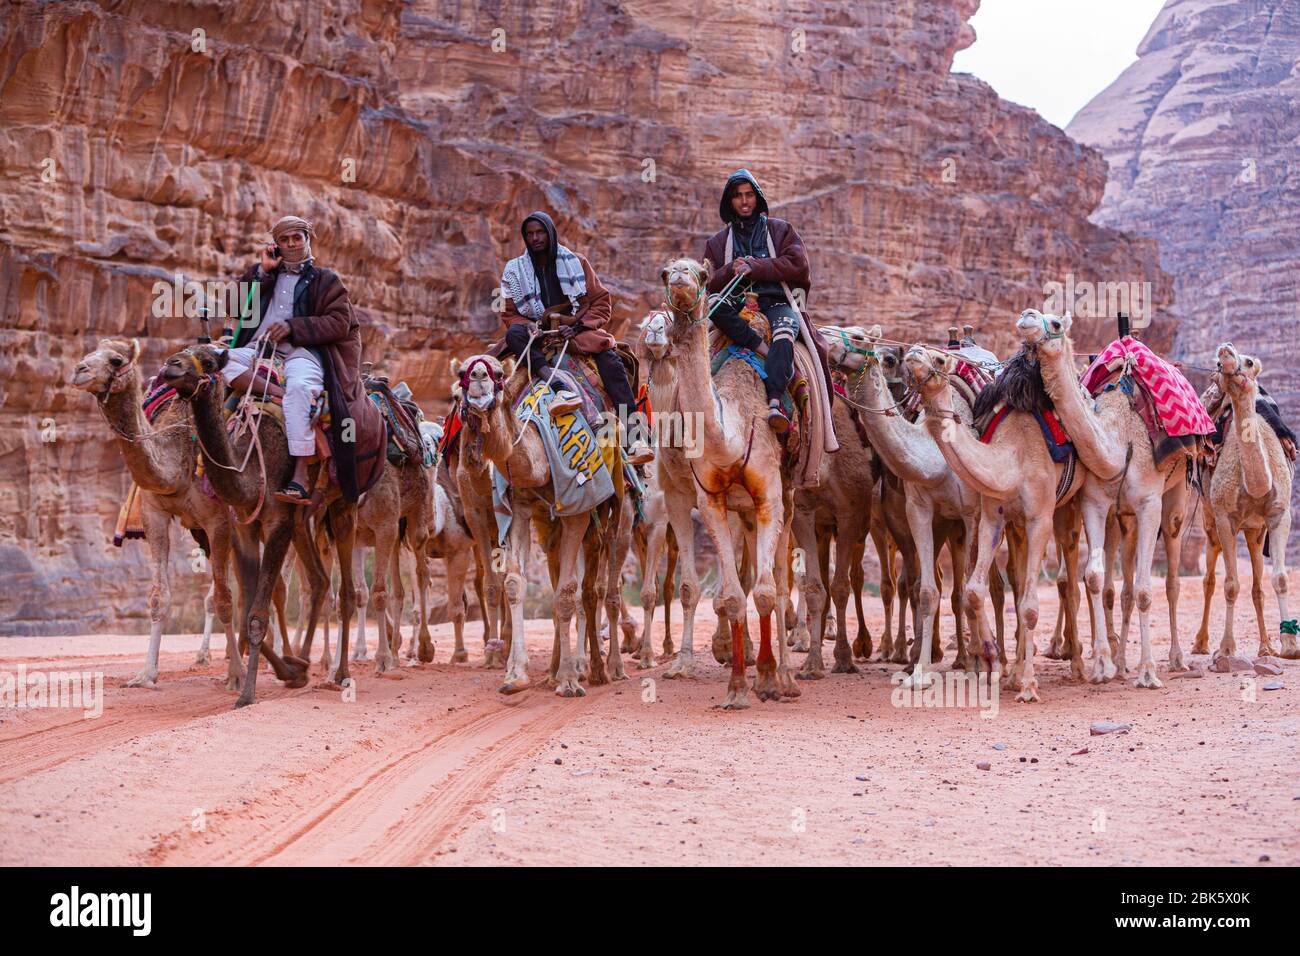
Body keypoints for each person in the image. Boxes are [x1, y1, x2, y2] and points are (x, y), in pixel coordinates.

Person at [225, 216, 385, 503]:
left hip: (303, 353)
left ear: (307, 239)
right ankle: (277, 393)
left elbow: (340, 322)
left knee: (300, 388)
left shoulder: (326, 280)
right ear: (276, 245)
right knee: (218, 361)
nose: (291, 245)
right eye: (284, 240)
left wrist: (293, 327)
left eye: (296, 238)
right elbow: (232, 306)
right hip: (258, 349)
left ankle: (299, 477)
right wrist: (262, 271)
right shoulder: (263, 274)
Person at [500, 211, 653, 464]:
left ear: (550, 233)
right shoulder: (515, 270)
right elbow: (510, 314)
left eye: (540, 232)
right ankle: (552, 384)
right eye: (530, 234)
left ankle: (635, 438)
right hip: (535, 339)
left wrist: (580, 326)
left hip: (577, 335)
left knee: (612, 365)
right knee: (498, 356)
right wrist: (529, 326)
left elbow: (602, 303)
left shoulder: (577, 262)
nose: (535, 238)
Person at [702, 169, 822, 433]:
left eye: (749, 195)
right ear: (729, 201)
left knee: (784, 332)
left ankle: (776, 401)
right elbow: (708, 280)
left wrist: (757, 267)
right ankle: (762, 349)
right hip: (735, 307)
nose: (744, 202)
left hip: (776, 302)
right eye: (738, 196)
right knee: (712, 305)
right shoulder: (717, 242)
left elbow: (798, 265)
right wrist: (731, 268)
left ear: (757, 198)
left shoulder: (780, 230)